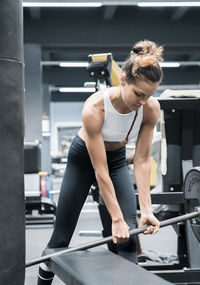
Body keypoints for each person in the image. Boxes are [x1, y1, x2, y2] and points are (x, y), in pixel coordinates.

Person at [37, 39, 164, 284]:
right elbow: (99, 169)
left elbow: (141, 159)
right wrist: (115, 218)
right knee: (60, 240)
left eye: (149, 95)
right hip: (83, 158)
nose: (143, 101)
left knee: (127, 242)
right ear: (124, 80)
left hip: (116, 159)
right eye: (138, 94)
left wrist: (146, 210)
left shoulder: (151, 108)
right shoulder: (95, 107)